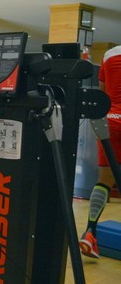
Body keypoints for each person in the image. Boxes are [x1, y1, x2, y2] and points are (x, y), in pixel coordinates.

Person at [79, 45, 121, 258]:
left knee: (104, 181)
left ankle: (90, 233)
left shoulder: (110, 54)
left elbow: (103, 91)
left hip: (110, 121)